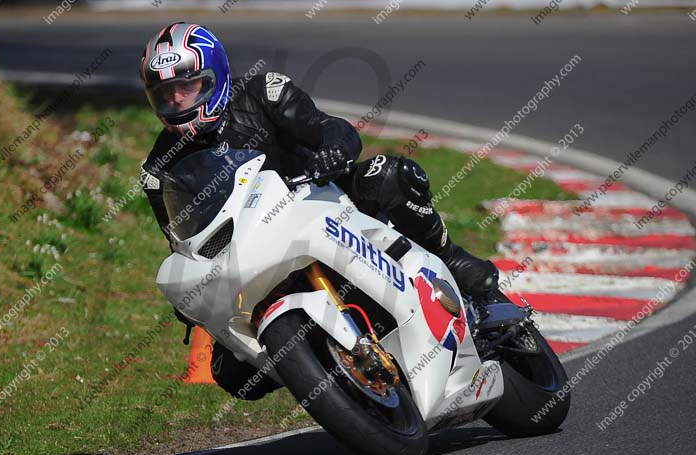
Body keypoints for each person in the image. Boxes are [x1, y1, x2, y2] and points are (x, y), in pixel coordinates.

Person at [139, 23, 499, 399]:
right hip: (253, 252)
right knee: (229, 372)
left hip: (325, 202)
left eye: (188, 86)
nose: (177, 100)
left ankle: (454, 263)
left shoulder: (263, 93)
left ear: (217, 76)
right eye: (165, 94)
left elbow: (330, 128)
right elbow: (181, 242)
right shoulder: (158, 169)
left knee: (389, 176)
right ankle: (334, 380)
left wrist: (332, 150)